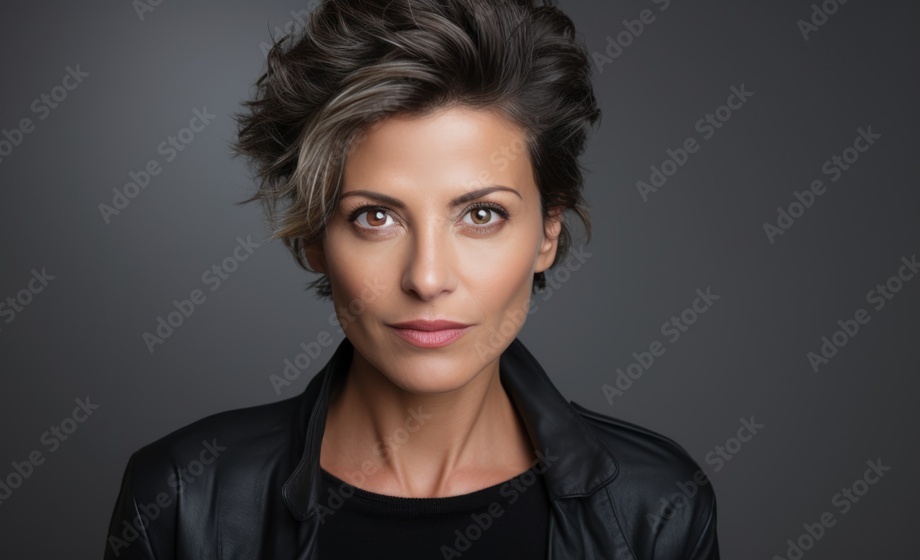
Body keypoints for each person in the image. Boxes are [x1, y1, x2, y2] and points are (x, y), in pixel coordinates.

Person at [102, 0, 720, 558]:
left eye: (481, 215)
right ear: (314, 237)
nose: (427, 278)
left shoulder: (655, 507)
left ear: (548, 232)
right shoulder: (184, 498)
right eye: (376, 217)